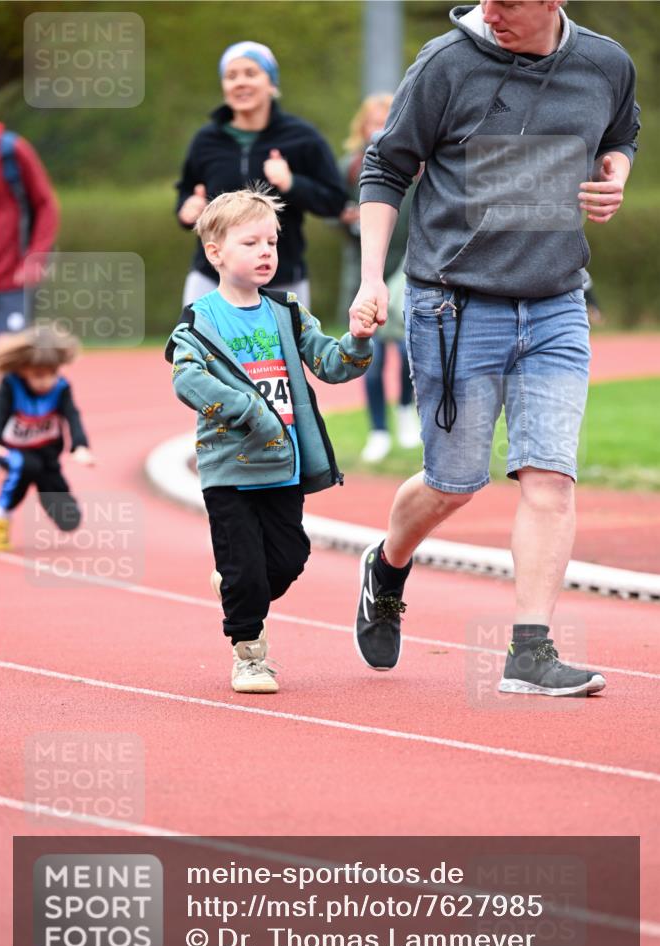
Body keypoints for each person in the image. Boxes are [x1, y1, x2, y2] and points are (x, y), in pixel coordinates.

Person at [349, 0, 640, 696]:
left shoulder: (604, 63)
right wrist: (370, 281)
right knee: (454, 483)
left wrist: (614, 177)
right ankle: (386, 566)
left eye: (509, 0)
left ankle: (529, 652)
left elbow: (620, 135)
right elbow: (385, 168)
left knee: (549, 475)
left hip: (555, 302)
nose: (491, 11)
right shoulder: (445, 65)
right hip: (453, 303)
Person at [166, 187, 374, 694]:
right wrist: (248, 410)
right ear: (215, 252)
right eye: (251, 243)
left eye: (272, 243)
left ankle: (238, 587)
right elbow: (186, 380)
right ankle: (250, 656)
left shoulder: (286, 311)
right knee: (247, 571)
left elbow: (330, 363)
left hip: (285, 467)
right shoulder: (200, 321)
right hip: (229, 471)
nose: (266, 253)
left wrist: (359, 339)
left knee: (287, 560)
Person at [175, 41, 346, 309]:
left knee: (286, 353)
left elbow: (335, 201)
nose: (240, 82)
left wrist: (292, 183)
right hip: (212, 278)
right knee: (198, 350)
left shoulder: (302, 137)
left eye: (251, 73)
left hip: (282, 281)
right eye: (231, 76)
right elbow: (186, 190)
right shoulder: (205, 141)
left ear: (272, 84)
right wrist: (186, 210)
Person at [338, 94, 420, 462]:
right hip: (365, 269)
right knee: (368, 354)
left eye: (388, 116)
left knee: (405, 350)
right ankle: (377, 431)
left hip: (406, 266)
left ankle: (405, 413)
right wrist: (345, 221)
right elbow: (334, 210)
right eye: (374, 119)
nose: (381, 124)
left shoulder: (417, 165)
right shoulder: (350, 167)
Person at [0, 325, 94, 551]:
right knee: (26, 466)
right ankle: (0, 516)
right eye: (39, 375)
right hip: (13, 451)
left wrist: (80, 447)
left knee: (69, 520)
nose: (45, 381)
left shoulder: (60, 388)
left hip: (47, 454)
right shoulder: (10, 386)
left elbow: (72, 416)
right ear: (23, 370)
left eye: (52, 373)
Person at [0, 121, 59, 336]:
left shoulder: (10, 150)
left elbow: (46, 204)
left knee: (12, 358)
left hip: (10, 281)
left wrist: (36, 256)